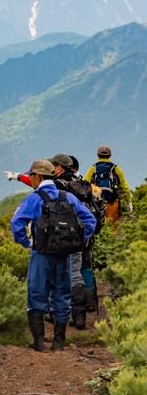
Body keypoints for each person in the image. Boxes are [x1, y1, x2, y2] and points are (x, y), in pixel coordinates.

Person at [11, 160, 97, 351]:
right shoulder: (67, 197)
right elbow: (89, 220)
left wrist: (27, 243)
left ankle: (39, 342)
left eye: (32, 176)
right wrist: (79, 241)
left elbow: (17, 224)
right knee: (62, 295)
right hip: (64, 254)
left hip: (41, 253)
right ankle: (59, 342)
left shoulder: (34, 198)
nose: (31, 179)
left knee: (37, 293)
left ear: (38, 177)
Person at [49, 153, 102, 329]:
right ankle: (80, 316)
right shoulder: (81, 183)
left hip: (57, 238)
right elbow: (91, 215)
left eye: (53, 165)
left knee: (56, 274)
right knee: (77, 274)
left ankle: (56, 314)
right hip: (78, 237)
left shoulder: (56, 186)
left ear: (59, 168)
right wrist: (85, 236)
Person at [85, 145, 132, 223]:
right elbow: (124, 186)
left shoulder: (93, 169)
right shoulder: (116, 169)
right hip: (113, 202)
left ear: (98, 155)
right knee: (113, 226)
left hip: (96, 202)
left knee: (98, 224)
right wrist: (128, 201)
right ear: (110, 155)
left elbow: (85, 184)